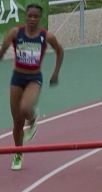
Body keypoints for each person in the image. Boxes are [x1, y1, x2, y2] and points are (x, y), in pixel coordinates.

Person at [0, 3, 64, 171]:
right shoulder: (16, 33)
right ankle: (19, 154)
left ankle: (33, 116)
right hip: (17, 77)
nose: (33, 19)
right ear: (26, 17)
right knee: (17, 123)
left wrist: (55, 73)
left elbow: (60, 51)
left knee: (26, 107)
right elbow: (3, 49)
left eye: (36, 16)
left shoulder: (46, 36)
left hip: (34, 78)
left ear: (40, 18)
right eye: (30, 16)